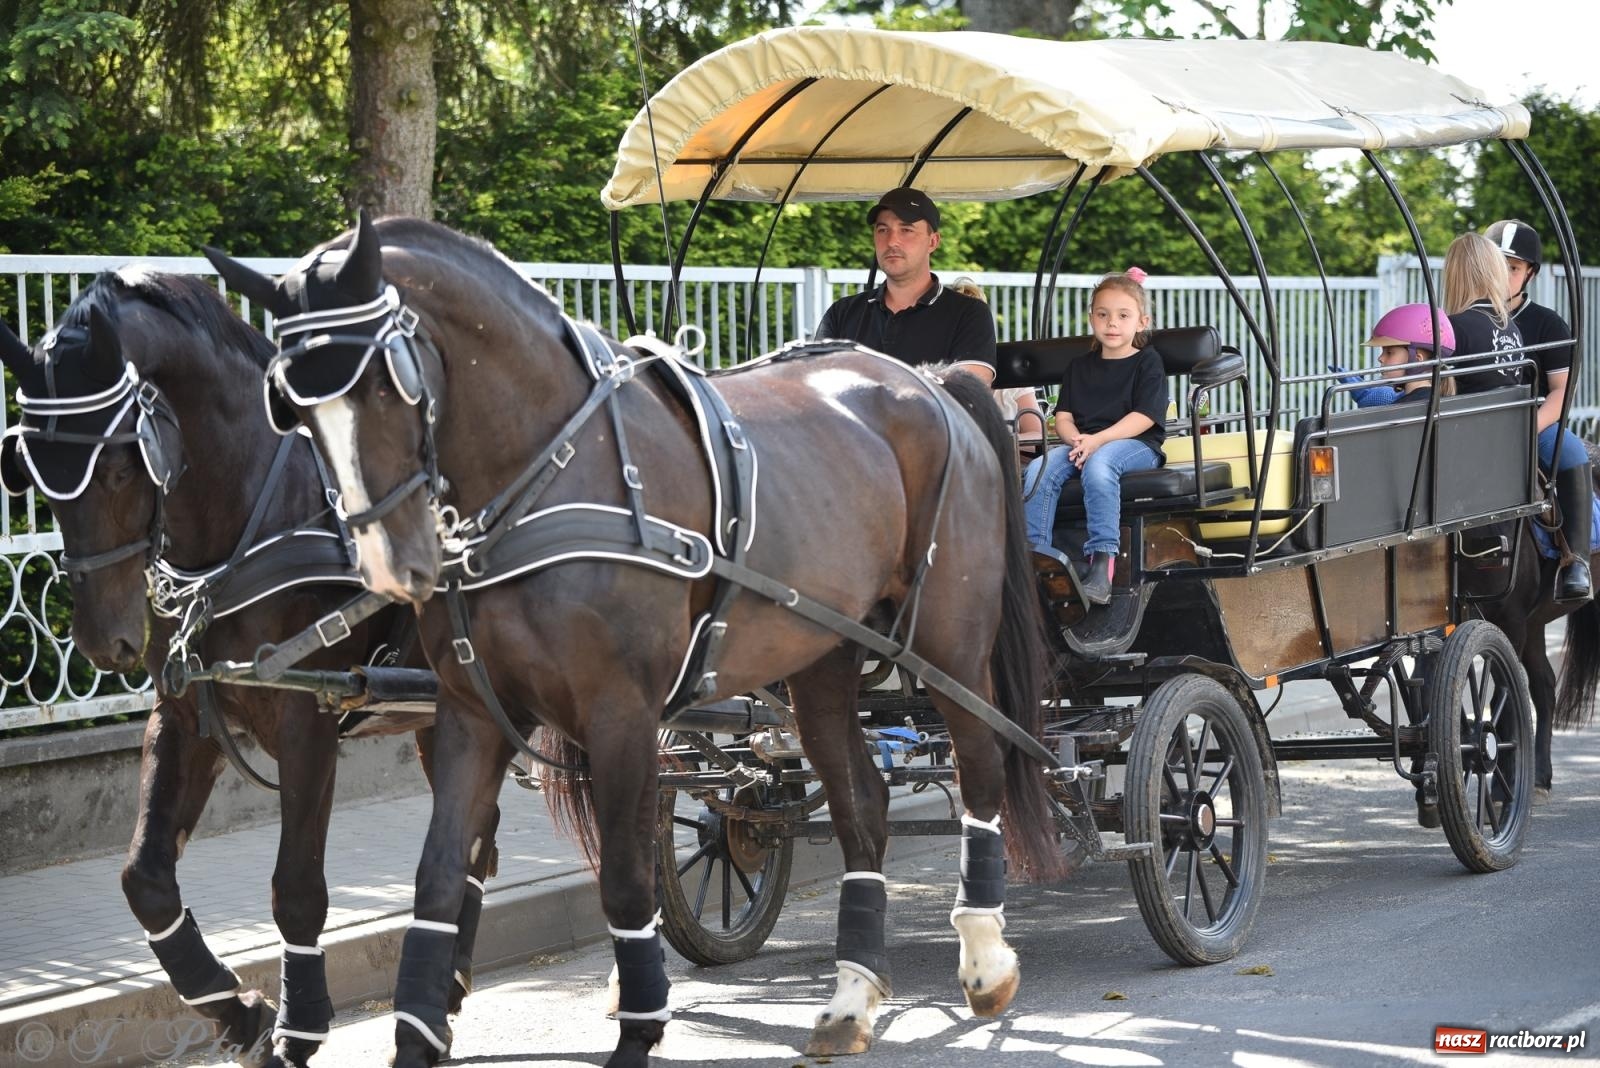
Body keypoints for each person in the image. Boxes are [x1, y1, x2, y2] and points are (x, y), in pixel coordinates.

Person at [1021, 269, 1167, 604]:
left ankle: (1102, 563)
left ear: (1141, 322)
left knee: (1099, 467)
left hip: (1134, 444)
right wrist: (1077, 440)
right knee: (1039, 470)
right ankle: (1037, 560)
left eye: (1122, 315)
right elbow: (1064, 417)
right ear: (1092, 319)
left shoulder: (1147, 362)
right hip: (1082, 443)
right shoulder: (1079, 366)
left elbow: (1144, 417)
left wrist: (1097, 441)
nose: (1112, 323)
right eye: (1103, 315)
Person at [1484, 218, 1591, 600]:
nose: (1501, 276)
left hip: (1534, 422)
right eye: (1494, 266)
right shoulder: (1465, 320)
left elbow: (1561, 392)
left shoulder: (1548, 324)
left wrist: (1526, 430)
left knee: (1573, 450)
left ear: (1529, 273)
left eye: (1511, 268)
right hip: (1476, 425)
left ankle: (1575, 560)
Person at [815, 187, 998, 383]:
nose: (892, 241)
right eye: (883, 230)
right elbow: (815, 386)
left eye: (906, 230)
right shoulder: (842, 314)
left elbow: (969, 394)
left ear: (933, 242)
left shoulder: (968, 313)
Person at [947, 276, 1046, 453]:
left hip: (1012, 470)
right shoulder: (937, 376)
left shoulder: (1011, 374)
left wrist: (997, 443)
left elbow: (1037, 436)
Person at [1360, 303, 1456, 405]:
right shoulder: (1438, 401)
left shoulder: (1402, 408)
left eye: (1389, 352)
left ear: (1417, 359)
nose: (1380, 358)